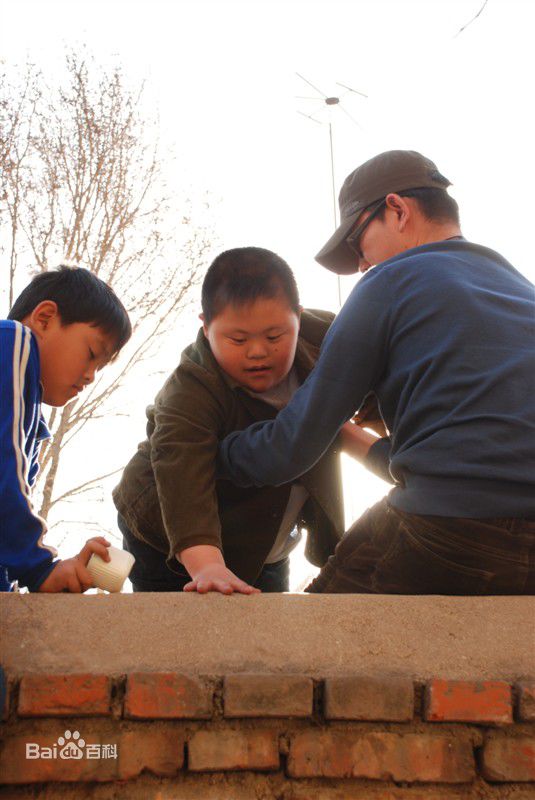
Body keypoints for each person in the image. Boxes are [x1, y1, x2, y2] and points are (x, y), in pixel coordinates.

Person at [217, 150, 535, 595]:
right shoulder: (519, 287)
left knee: (313, 640)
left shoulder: (389, 281)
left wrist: (215, 452)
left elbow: (290, 448)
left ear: (397, 210)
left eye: (357, 244)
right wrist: (353, 439)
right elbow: (475, 463)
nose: (362, 264)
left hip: (445, 531)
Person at [113, 246, 349, 593]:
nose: (257, 351)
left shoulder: (329, 338)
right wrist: (206, 564)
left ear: (298, 318)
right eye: (238, 339)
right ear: (206, 328)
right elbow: (182, 474)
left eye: (274, 336)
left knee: (264, 623)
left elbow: (379, 378)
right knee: (187, 630)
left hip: (266, 534)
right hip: (169, 533)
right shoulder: (190, 390)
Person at [1, 265, 132, 593]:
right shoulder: (12, 342)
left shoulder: (31, 424)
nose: (90, 376)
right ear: (44, 318)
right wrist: (40, 567)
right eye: (90, 354)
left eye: (99, 368)